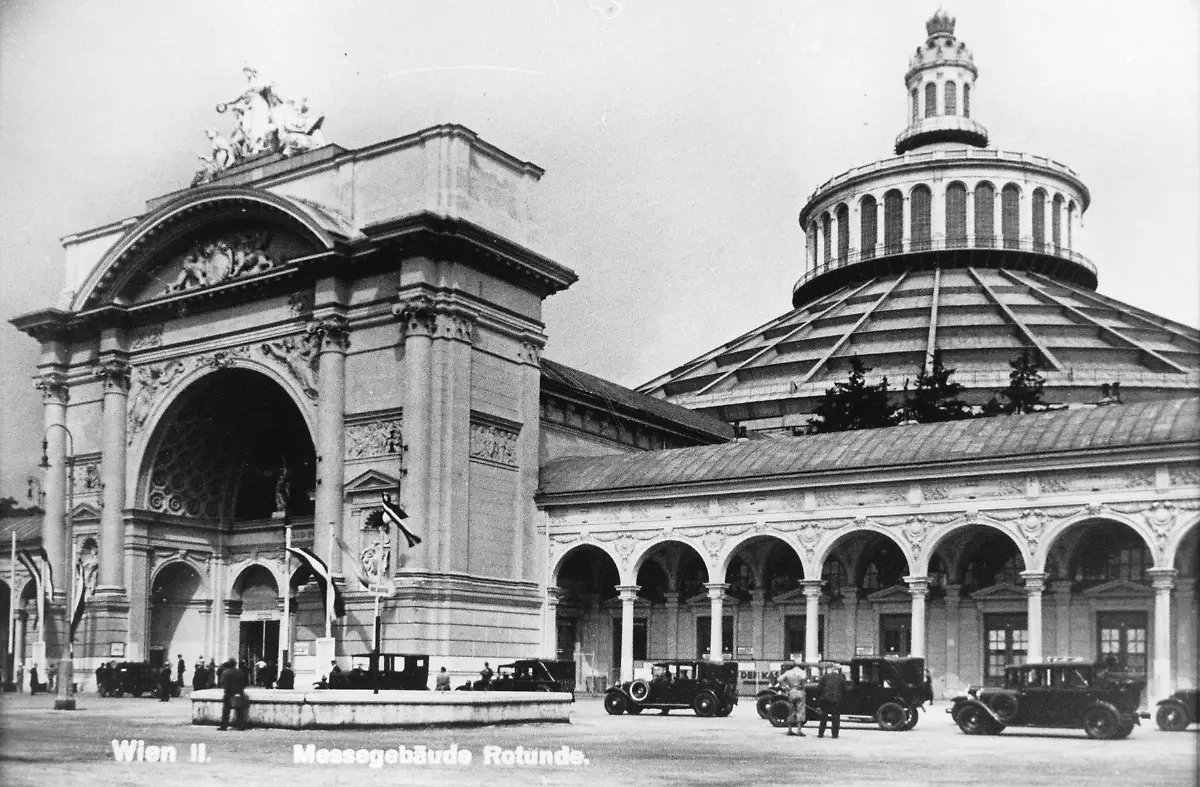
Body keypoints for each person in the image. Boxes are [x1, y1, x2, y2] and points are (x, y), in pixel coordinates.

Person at [777, 663, 810, 737]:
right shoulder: (802, 672)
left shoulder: (788, 672)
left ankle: (790, 729)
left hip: (791, 691)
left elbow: (779, 679)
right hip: (800, 691)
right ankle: (799, 730)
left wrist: (786, 687)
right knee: (800, 711)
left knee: (791, 710)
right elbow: (804, 681)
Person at [218, 659, 249, 731]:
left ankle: (224, 726)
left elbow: (223, 683)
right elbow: (245, 682)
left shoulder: (226, 672)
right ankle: (241, 726)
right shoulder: (240, 672)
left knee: (226, 710)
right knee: (239, 710)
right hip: (239, 693)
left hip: (229, 693)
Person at [817, 664, 846, 739]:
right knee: (836, 717)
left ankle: (821, 733)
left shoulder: (825, 677)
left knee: (824, 716)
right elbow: (844, 690)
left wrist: (820, 698)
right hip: (836, 700)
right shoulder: (841, 678)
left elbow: (820, 688)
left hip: (825, 699)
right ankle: (834, 734)